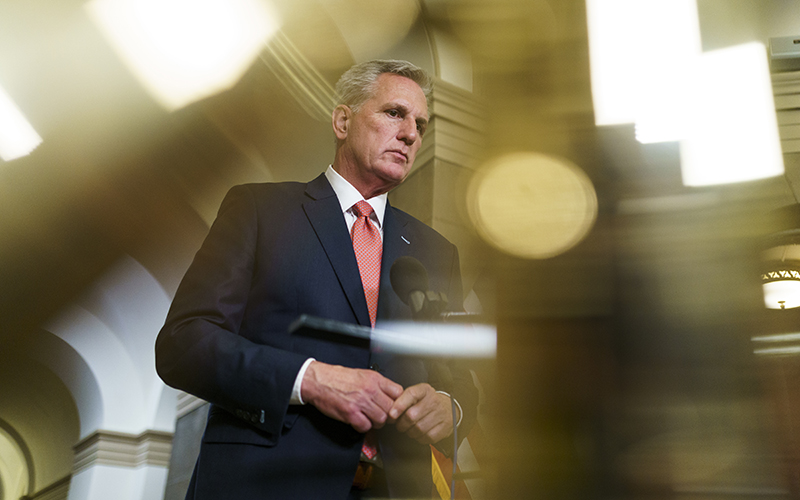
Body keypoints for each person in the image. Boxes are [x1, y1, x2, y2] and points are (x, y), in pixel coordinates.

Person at [155, 59, 477, 499]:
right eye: (394, 113)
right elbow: (183, 343)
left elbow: (460, 378)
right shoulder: (259, 210)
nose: (410, 134)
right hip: (268, 483)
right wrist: (309, 379)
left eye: (420, 124)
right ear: (343, 120)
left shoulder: (437, 251)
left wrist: (451, 408)